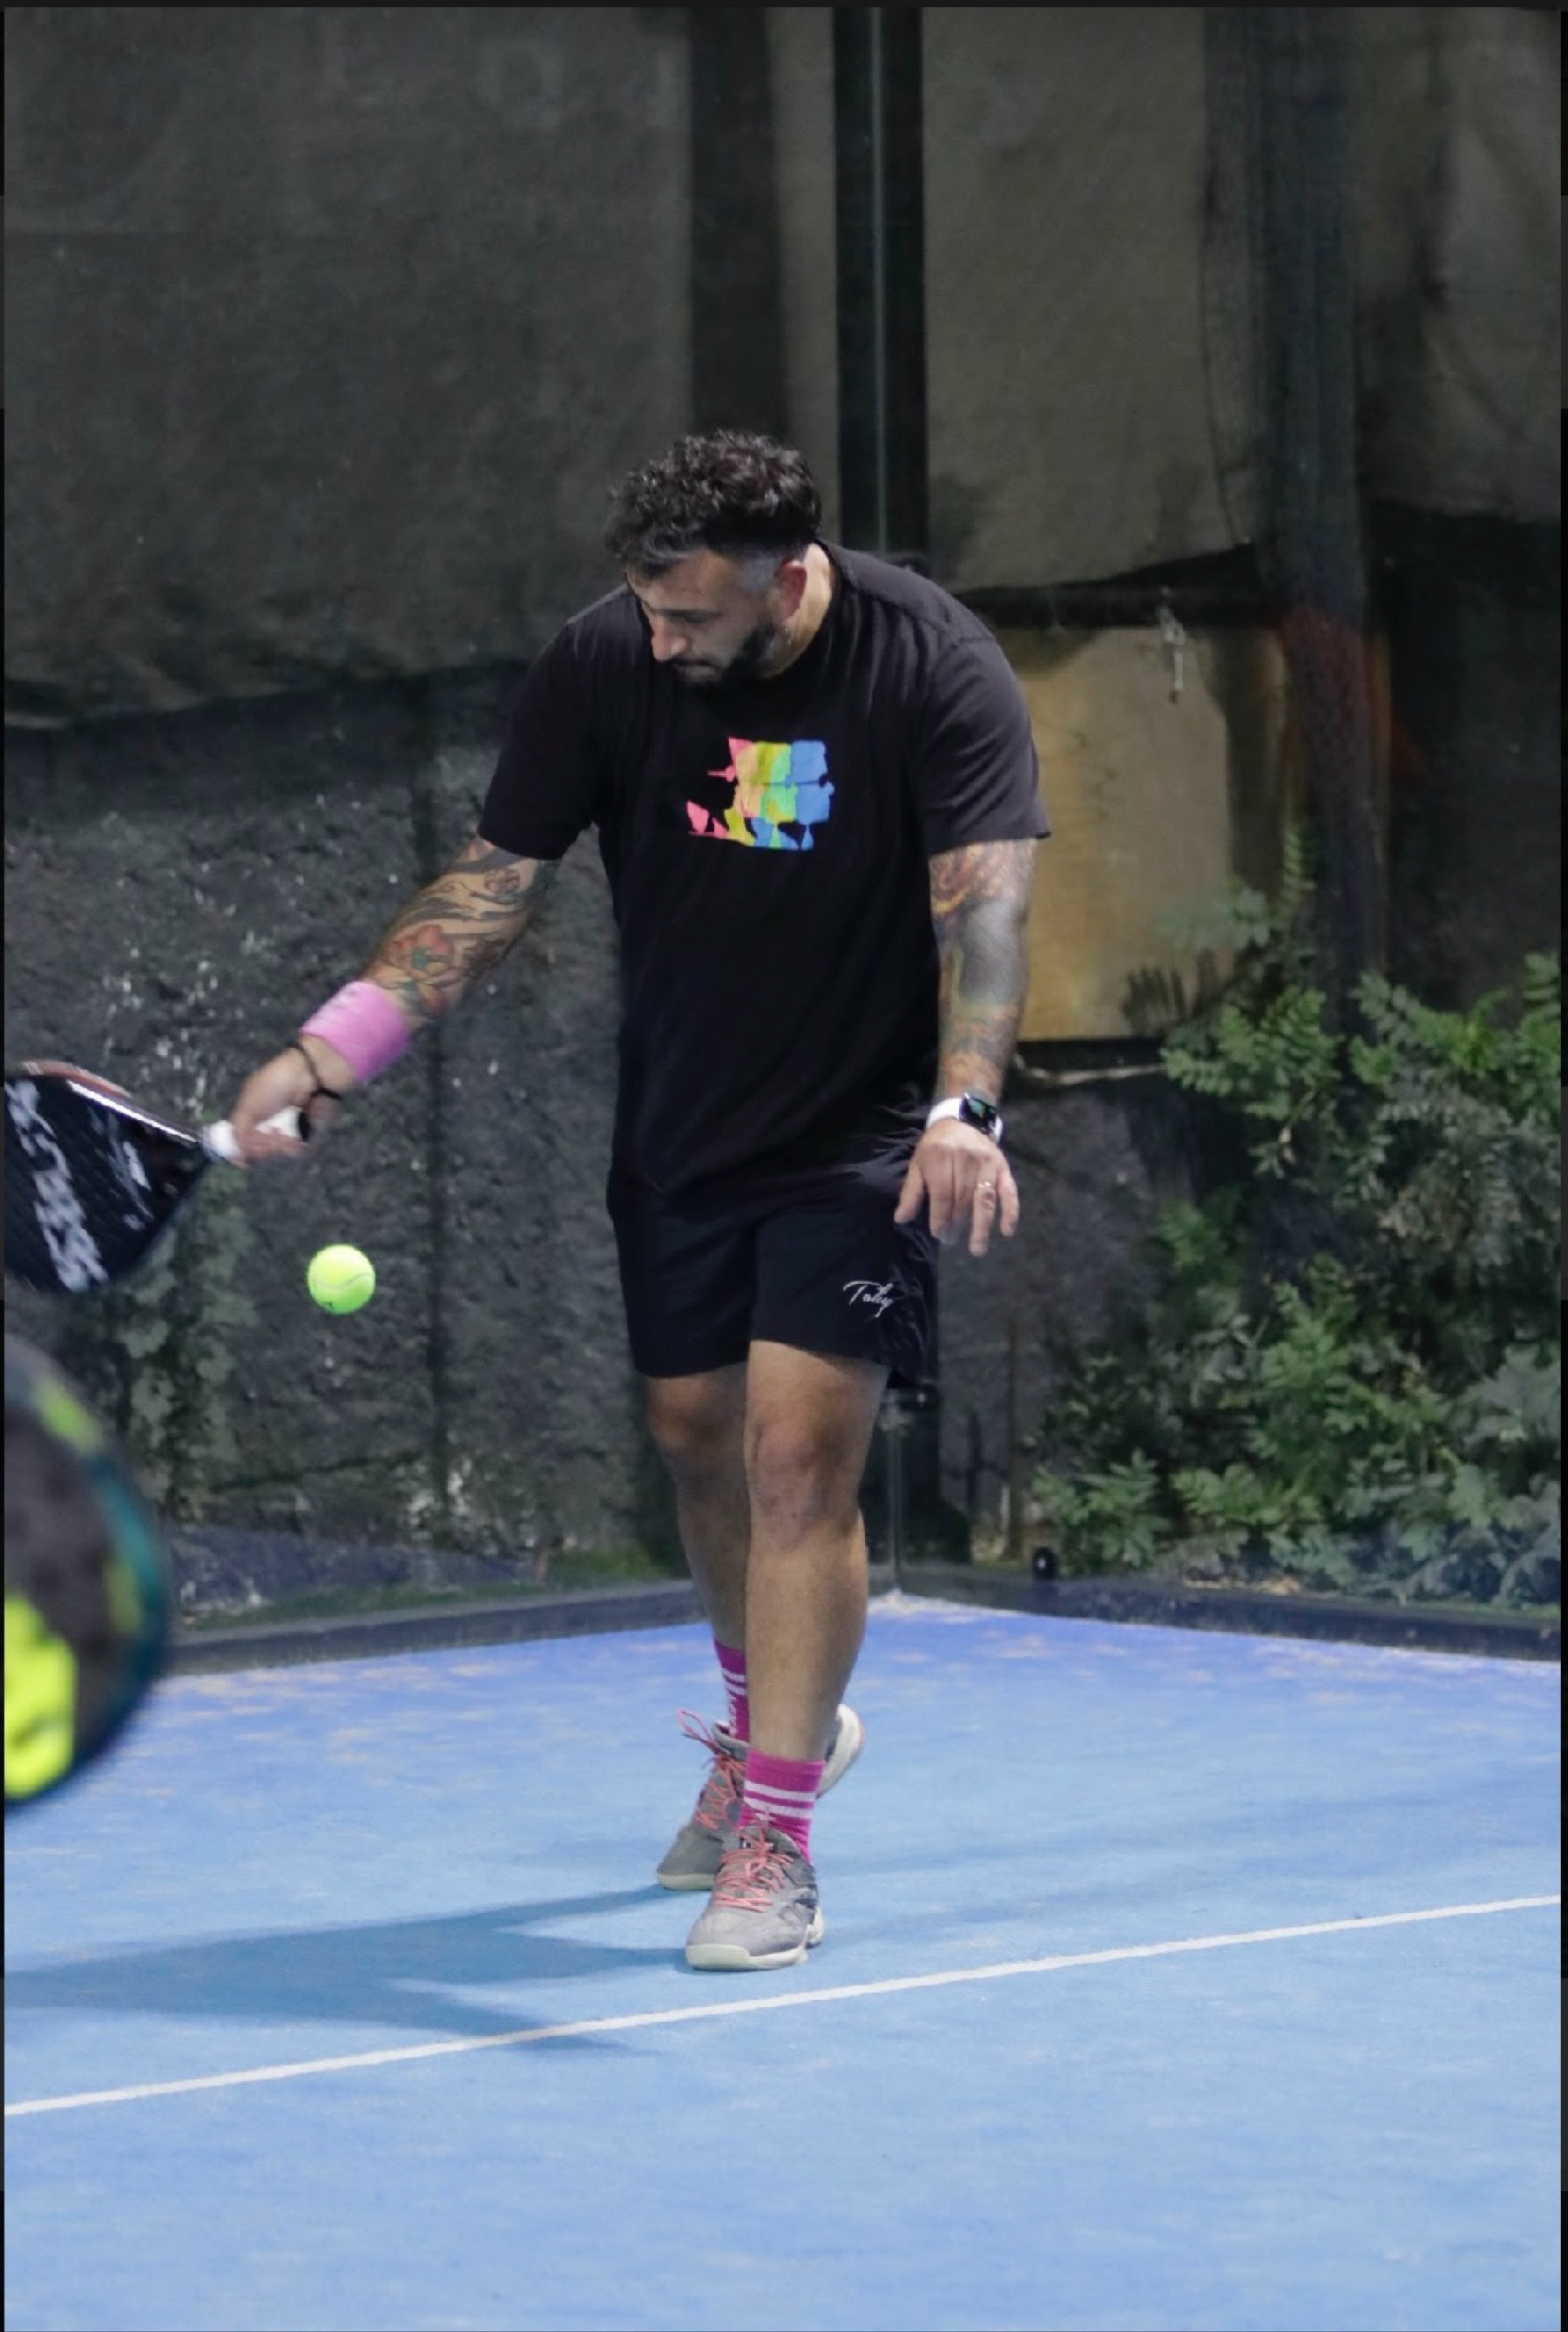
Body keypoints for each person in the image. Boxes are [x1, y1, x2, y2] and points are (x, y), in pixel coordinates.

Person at [226, 432, 1046, 1971]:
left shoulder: (931, 664)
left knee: (798, 1458)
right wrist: (335, 1050)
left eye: (692, 616)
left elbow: (985, 914)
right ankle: (773, 1730)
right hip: (682, 1126)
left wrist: (965, 1104)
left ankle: (777, 1843)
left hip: (866, 1134)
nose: (662, 642)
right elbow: (491, 884)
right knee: (693, 1435)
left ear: (786, 582)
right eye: (649, 609)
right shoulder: (606, 661)